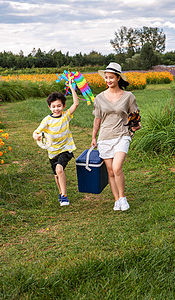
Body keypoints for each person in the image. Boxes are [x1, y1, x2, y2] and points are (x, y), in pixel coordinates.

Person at [91, 62, 141, 211]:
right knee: (110, 171)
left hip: (122, 135)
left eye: (111, 77)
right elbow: (97, 119)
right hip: (105, 137)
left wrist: (136, 124)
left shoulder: (128, 97)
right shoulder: (99, 98)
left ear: (118, 78)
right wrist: (94, 137)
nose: (108, 80)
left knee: (117, 167)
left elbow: (135, 115)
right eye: (106, 78)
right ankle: (116, 200)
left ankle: (123, 197)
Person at [33, 83, 79, 206]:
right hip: (52, 151)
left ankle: (64, 196)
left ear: (63, 106)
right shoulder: (47, 120)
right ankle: (60, 192)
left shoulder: (66, 116)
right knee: (56, 175)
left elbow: (76, 104)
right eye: (53, 106)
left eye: (59, 106)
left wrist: (71, 88)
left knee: (59, 169)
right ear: (49, 107)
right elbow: (36, 132)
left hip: (65, 148)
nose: (56, 109)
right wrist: (36, 136)